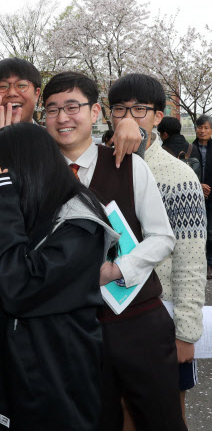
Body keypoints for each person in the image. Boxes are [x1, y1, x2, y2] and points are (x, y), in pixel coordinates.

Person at [0, 124, 119, 430]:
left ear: (27, 168)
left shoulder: (79, 224)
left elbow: (20, 288)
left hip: (53, 390)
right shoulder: (16, 212)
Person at [42, 71, 182, 431]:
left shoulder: (129, 164)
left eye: (72, 106)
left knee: (161, 420)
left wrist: (118, 269)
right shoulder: (38, 175)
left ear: (95, 113)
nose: (62, 117)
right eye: (52, 109)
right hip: (74, 329)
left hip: (137, 323)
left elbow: (162, 237)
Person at [109, 73, 206, 429]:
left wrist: (186, 332)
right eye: (119, 108)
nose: (128, 118)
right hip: (111, 316)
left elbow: (191, 260)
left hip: (161, 317)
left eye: (139, 109)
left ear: (157, 115)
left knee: (165, 416)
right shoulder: (102, 165)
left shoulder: (178, 175)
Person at [191, 114, 212, 278]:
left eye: (206, 128)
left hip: (211, 194)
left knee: (211, 230)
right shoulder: (190, 148)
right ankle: (199, 263)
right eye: (200, 127)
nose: (202, 131)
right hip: (195, 195)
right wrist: (199, 185)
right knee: (198, 231)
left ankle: (209, 263)